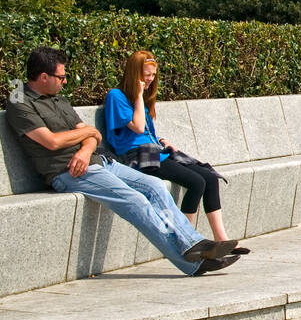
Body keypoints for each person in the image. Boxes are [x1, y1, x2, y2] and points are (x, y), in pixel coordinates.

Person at [4, 48, 241, 276]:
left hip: (98, 160)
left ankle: (195, 245)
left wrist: (86, 149)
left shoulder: (59, 101)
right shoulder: (20, 102)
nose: (65, 81)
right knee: (135, 200)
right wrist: (86, 138)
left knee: (155, 186)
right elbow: (52, 142)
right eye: (62, 77)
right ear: (43, 77)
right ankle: (194, 261)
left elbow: (93, 135)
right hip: (69, 172)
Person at [104, 50, 245, 249]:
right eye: (146, 75)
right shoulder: (117, 96)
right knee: (196, 182)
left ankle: (221, 238)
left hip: (154, 152)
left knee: (210, 177)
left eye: (153, 75)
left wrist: (161, 140)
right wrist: (138, 96)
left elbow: (145, 130)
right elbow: (136, 127)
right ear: (134, 73)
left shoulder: (142, 99)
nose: (151, 80)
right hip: (137, 156)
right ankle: (188, 240)